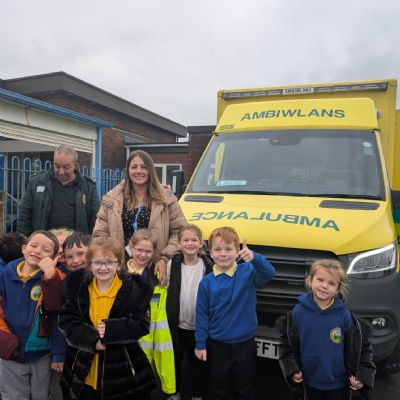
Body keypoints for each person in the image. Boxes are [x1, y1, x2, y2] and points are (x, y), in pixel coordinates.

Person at [58, 236, 156, 400]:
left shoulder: (135, 290)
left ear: (119, 264)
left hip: (123, 369)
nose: (103, 268)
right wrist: (90, 339)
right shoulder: (78, 288)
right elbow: (66, 321)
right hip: (83, 368)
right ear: (90, 264)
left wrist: (113, 330)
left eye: (109, 262)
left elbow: (141, 324)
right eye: (97, 262)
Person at [195, 227, 276, 400]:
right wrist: (200, 344)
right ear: (210, 252)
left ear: (237, 251)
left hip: (245, 345)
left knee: (245, 388)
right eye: (218, 249)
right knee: (218, 388)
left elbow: (269, 273)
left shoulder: (248, 272)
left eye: (228, 249)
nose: (223, 254)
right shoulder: (206, 283)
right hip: (217, 346)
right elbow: (201, 316)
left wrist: (254, 257)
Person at [276, 259, 376, 400]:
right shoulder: (297, 313)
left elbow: (362, 349)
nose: (324, 286)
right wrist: (291, 370)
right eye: (320, 280)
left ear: (338, 289)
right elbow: (286, 346)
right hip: (307, 384)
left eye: (331, 283)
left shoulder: (345, 316)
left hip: (338, 385)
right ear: (310, 280)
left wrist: (362, 376)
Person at [92, 150, 187, 285]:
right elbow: (100, 234)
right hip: (120, 269)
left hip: (153, 268)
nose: (139, 171)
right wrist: (111, 260)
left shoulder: (166, 199)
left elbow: (180, 232)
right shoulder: (111, 199)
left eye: (144, 167)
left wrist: (164, 258)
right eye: (134, 167)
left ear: (151, 170)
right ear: (127, 170)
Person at [0, 230, 64, 400]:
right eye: (34, 246)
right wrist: (4, 339)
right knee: (13, 395)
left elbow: (55, 307)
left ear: (53, 257)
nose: (37, 251)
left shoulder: (55, 277)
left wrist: (50, 275)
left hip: (41, 353)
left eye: (45, 250)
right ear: (24, 248)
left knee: (40, 395)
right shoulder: (6, 274)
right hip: (11, 352)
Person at [166, 224, 213, 400]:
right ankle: (175, 393)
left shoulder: (208, 267)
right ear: (179, 243)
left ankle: (197, 395)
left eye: (194, 240)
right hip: (177, 325)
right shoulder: (172, 264)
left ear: (201, 243)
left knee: (197, 365)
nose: (190, 243)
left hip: (198, 328)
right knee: (175, 362)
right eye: (185, 240)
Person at [127, 229, 176, 397]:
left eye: (148, 251)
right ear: (131, 247)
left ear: (154, 252)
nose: (143, 254)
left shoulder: (158, 279)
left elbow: (160, 327)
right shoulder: (117, 273)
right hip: (121, 346)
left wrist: (168, 384)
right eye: (139, 249)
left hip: (145, 349)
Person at [17, 144, 100, 236]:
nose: (61, 172)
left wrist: (90, 243)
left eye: (66, 167)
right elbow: (25, 217)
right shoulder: (36, 182)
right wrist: (24, 241)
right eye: (57, 166)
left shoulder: (88, 187)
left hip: (75, 243)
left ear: (75, 166)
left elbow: (96, 221)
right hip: (44, 242)